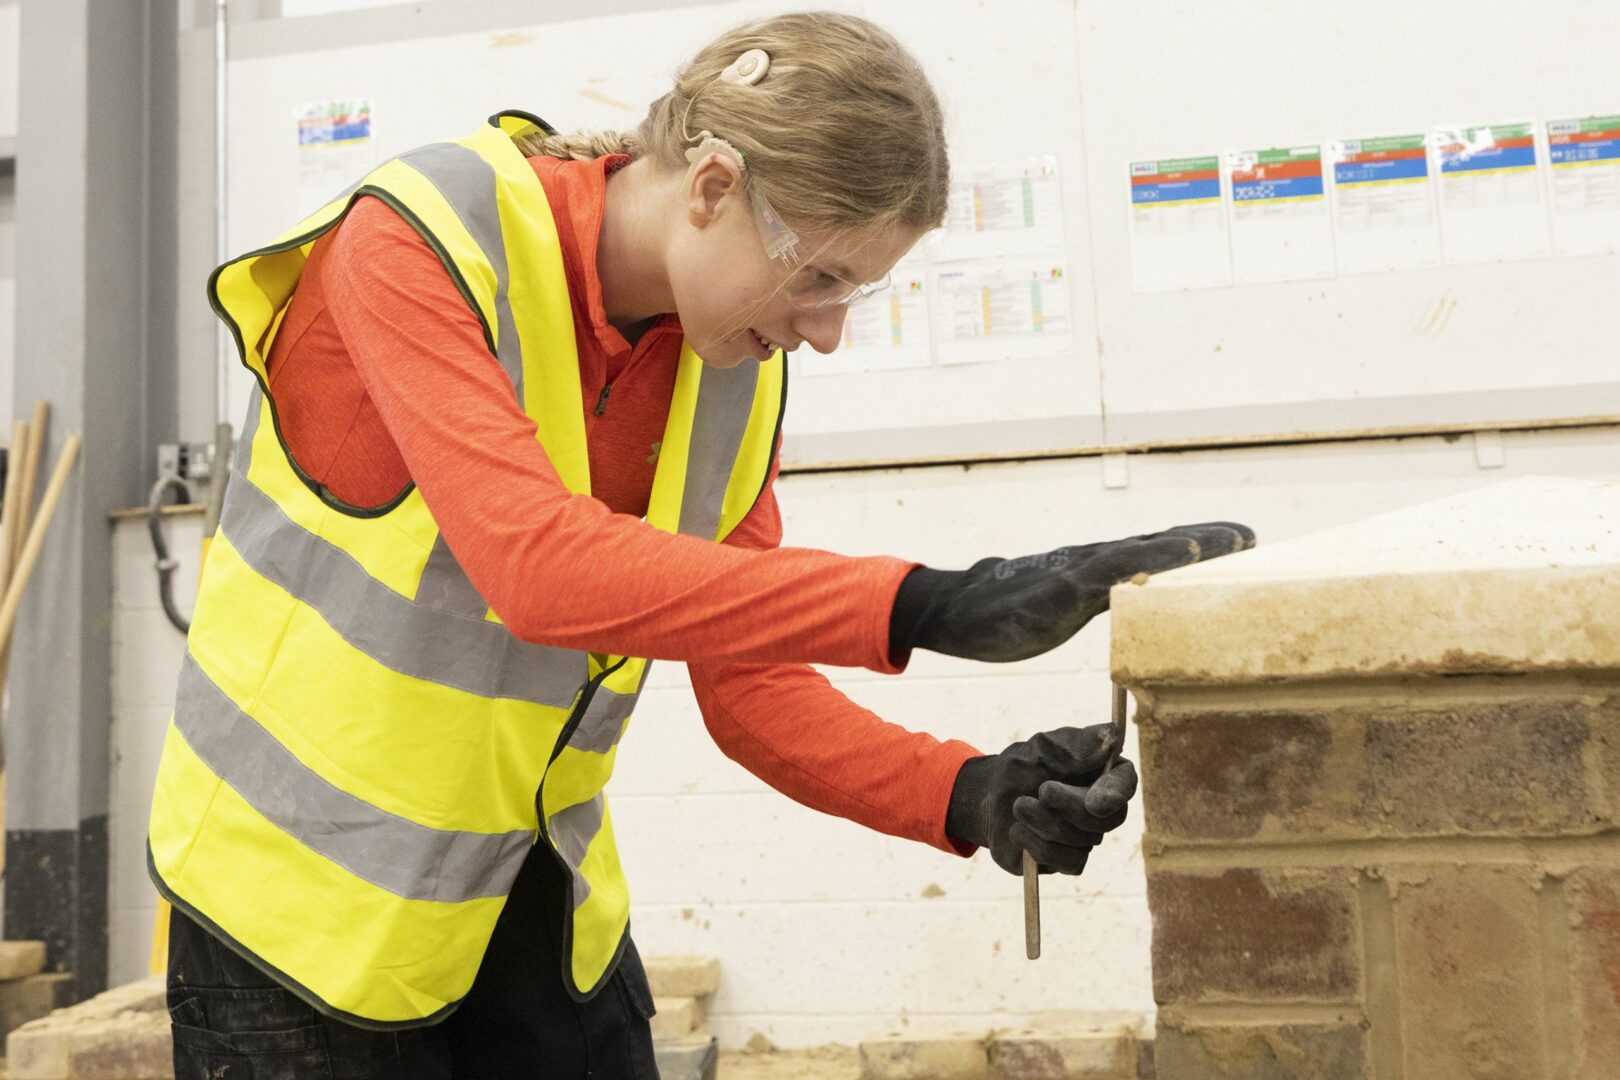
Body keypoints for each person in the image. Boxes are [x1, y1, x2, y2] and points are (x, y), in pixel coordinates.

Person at [148, 11, 1254, 1079]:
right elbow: (538, 570)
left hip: (519, 888)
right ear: (713, 187)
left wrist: (965, 794)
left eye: (854, 293)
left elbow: (753, 693)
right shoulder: (419, 240)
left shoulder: (731, 362)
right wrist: (922, 604)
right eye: (819, 277)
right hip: (295, 916)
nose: (825, 331)